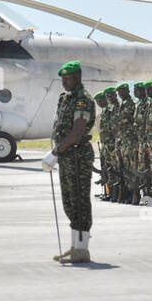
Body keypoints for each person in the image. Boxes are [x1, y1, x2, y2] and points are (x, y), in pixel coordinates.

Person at [44, 61, 97, 263]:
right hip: (67, 156)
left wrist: (56, 152)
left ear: (78, 77)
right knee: (69, 202)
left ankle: (82, 250)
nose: (64, 83)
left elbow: (76, 133)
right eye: (63, 79)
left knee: (79, 202)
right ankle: (75, 246)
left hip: (77, 156)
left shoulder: (82, 100)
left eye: (68, 78)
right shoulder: (65, 99)